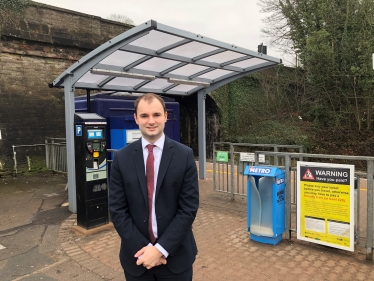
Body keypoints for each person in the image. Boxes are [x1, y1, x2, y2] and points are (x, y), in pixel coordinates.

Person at [109, 93, 199, 281]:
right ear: (136, 119)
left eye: (156, 115)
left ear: (166, 116)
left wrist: (160, 249)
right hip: (137, 258)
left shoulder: (185, 156)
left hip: (176, 258)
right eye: (144, 116)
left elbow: (188, 208)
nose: (151, 121)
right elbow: (117, 210)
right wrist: (146, 251)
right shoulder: (122, 158)